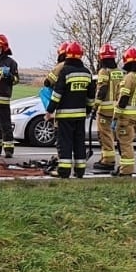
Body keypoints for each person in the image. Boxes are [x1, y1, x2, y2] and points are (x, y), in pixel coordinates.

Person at [42, 40, 93, 178]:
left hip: (65, 116)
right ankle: (80, 171)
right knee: (79, 142)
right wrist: (88, 110)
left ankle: (63, 171)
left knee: (65, 143)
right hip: (80, 116)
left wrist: (49, 110)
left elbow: (57, 94)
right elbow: (91, 96)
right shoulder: (87, 72)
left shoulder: (65, 71)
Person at [113, 47, 136, 176]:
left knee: (125, 144)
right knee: (127, 143)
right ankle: (123, 167)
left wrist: (115, 116)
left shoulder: (129, 78)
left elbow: (123, 99)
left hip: (125, 117)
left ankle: (126, 171)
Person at [91, 43, 121, 172]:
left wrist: (95, 106)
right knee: (112, 136)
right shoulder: (119, 72)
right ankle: (105, 158)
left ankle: (108, 161)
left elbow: (102, 89)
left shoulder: (104, 71)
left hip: (105, 110)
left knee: (105, 136)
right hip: (117, 109)